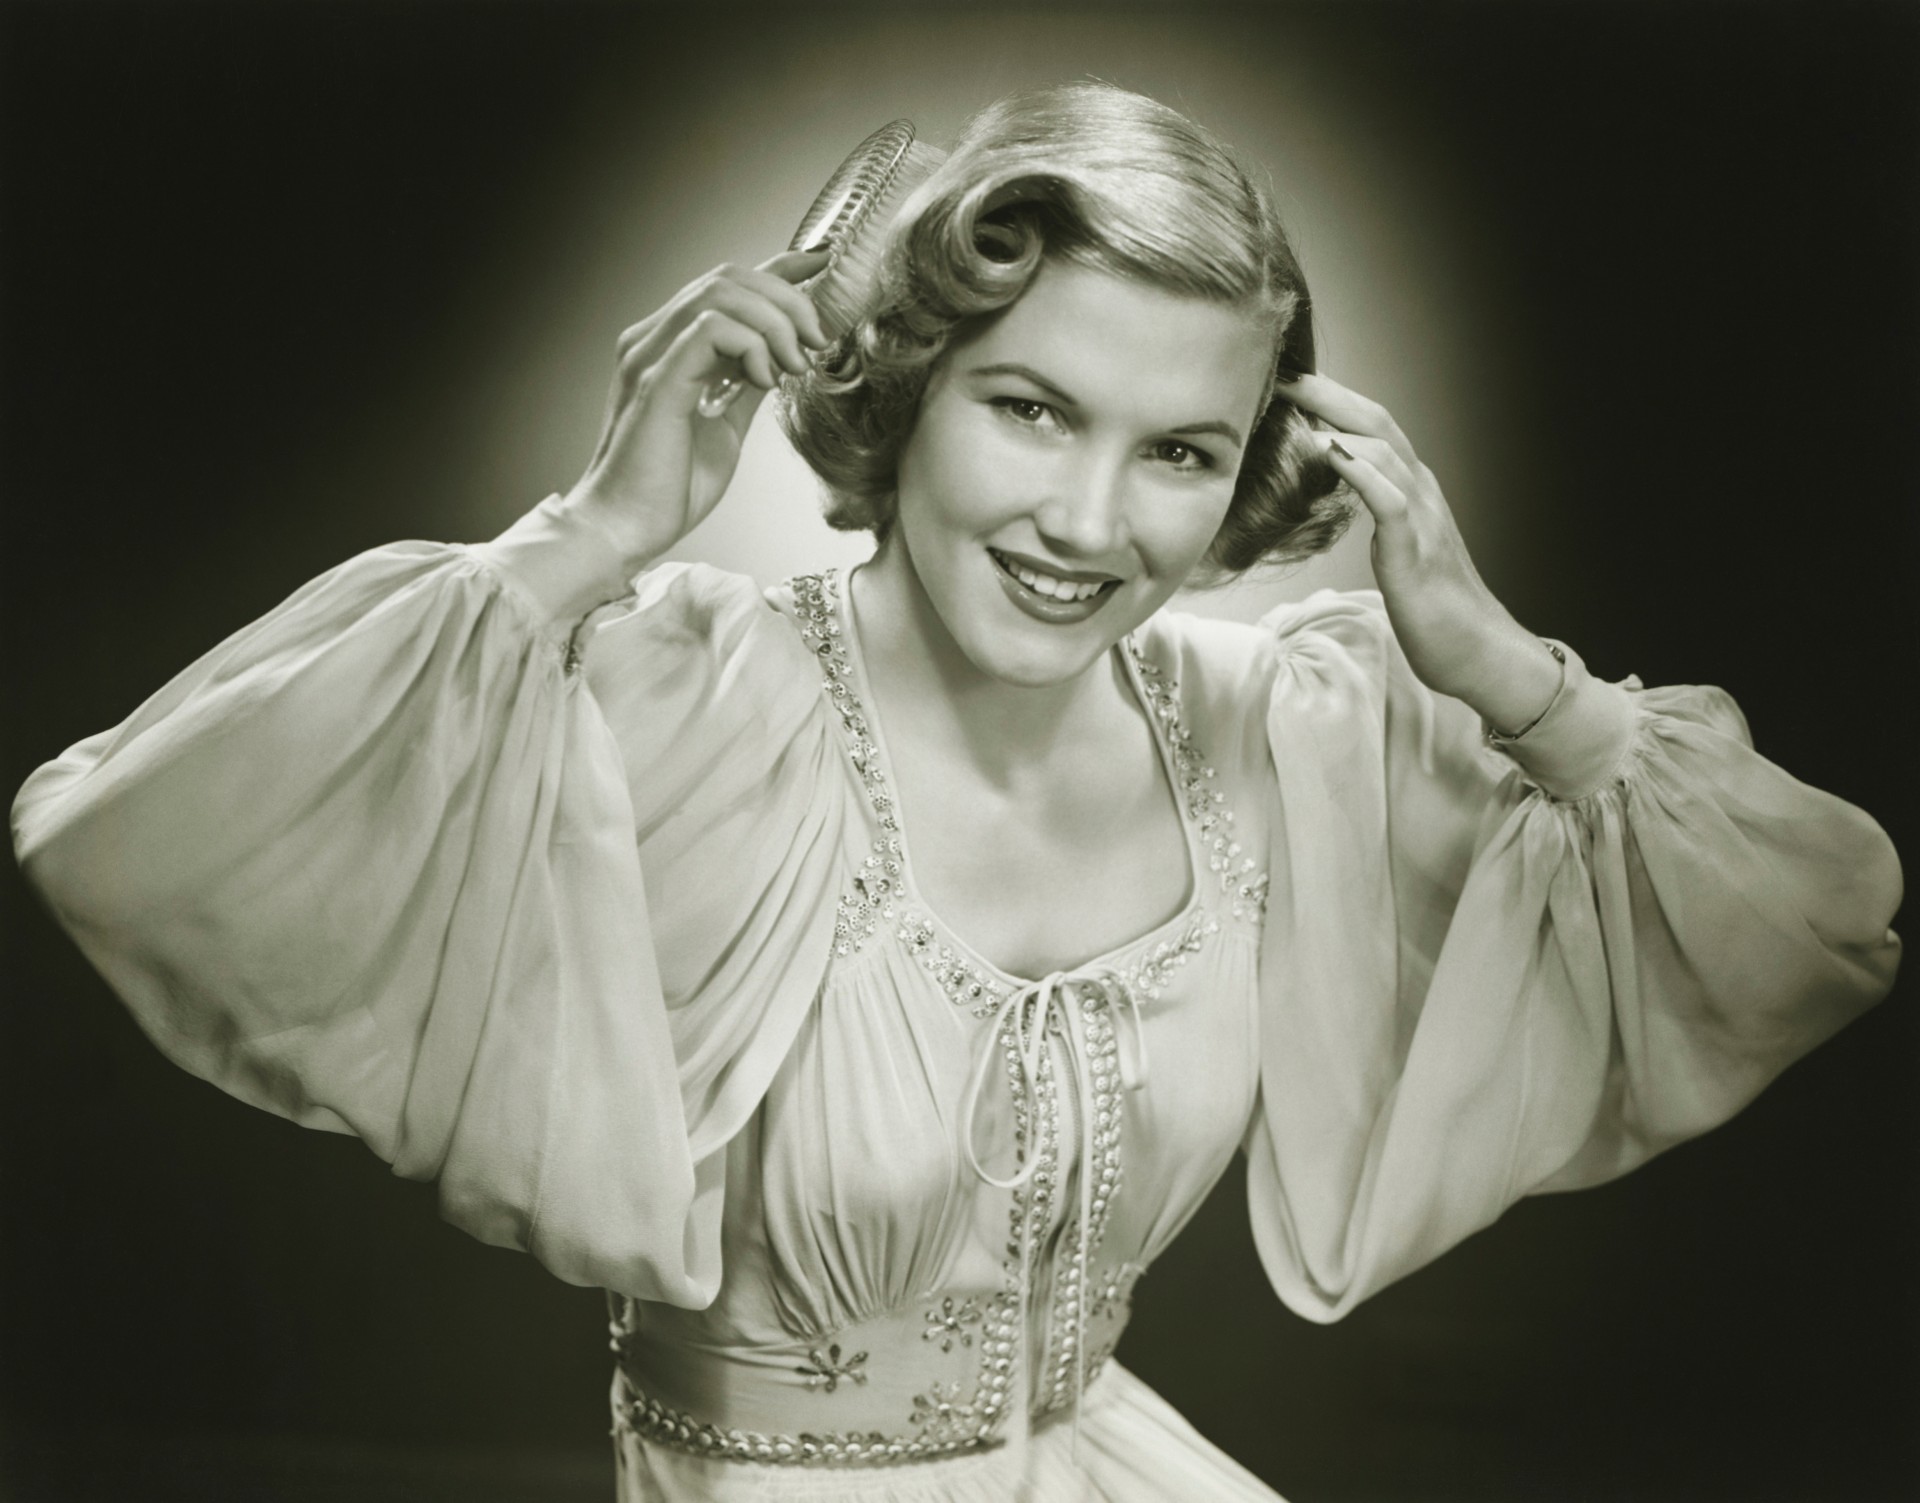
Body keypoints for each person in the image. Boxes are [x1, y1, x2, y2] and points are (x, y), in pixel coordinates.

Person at [11, 82, 1902, 1503]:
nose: (1091, 524)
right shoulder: (695, 693)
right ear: (905, 393)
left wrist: (1501, 671)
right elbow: (148, 842)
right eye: (1030, 409)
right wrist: (588, 536)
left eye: (1180, 450)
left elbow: (1812, 927)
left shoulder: (1281, 726)